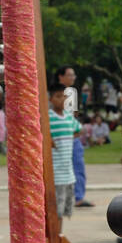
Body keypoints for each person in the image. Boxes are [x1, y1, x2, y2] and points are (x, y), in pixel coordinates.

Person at [55, 65, 91, 207]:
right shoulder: (56, 93)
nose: (72, 78)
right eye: (70, 75)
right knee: (66, 166)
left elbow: (73, 114)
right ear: (61, 77)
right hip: (63, 135)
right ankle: (70, 197)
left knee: (76, 165)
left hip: (70, 134)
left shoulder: (72, 92)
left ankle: (77, 196)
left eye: (73, 75)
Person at [48, 82, 80, 221]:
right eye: (58, 96)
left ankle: (59, 236)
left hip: (68, 172)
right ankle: (56, 238)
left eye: (64, 96)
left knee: (65, 208)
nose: (62, 99)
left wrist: (68, 140)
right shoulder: (48, 117)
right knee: (56, 211)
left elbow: (78, 129)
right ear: (51, 99)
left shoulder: (68, 116)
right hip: (55, 173)